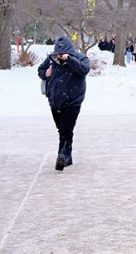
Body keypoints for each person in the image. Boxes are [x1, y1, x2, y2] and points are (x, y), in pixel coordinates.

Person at [37, 36, 91, 171]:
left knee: (66, 129)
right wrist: (46, 73)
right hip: (55, 101)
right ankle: (68, 156)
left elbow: (84, 70)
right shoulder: (51, 60)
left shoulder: (79, 58)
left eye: (62, 54)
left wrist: (70, 59)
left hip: (73, 101)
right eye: (58, 54)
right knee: (62, 129)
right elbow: (40, 71)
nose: (59, 57)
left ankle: (61, 157)